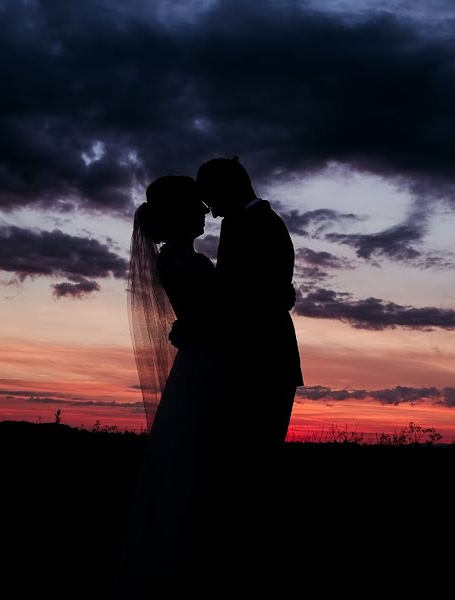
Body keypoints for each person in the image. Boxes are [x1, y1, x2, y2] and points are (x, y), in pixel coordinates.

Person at [195, 157, 303, 586]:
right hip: (257, 355)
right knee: (246, 461)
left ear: (227, 187)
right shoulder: (249, 222)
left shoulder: (252, 224)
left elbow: (248, 295)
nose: (206, 205)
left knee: (252, 462)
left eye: (209, 193)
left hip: (261, 358)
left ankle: (250, 559)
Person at [114, 175, 221, 598]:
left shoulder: (182, 257)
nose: (204, 211)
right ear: (178, 214)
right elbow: (216, 313)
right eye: (196, 205)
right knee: (194, 457)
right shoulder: (177, 259)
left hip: (202, 359)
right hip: (205, 363)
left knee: (196, 456)